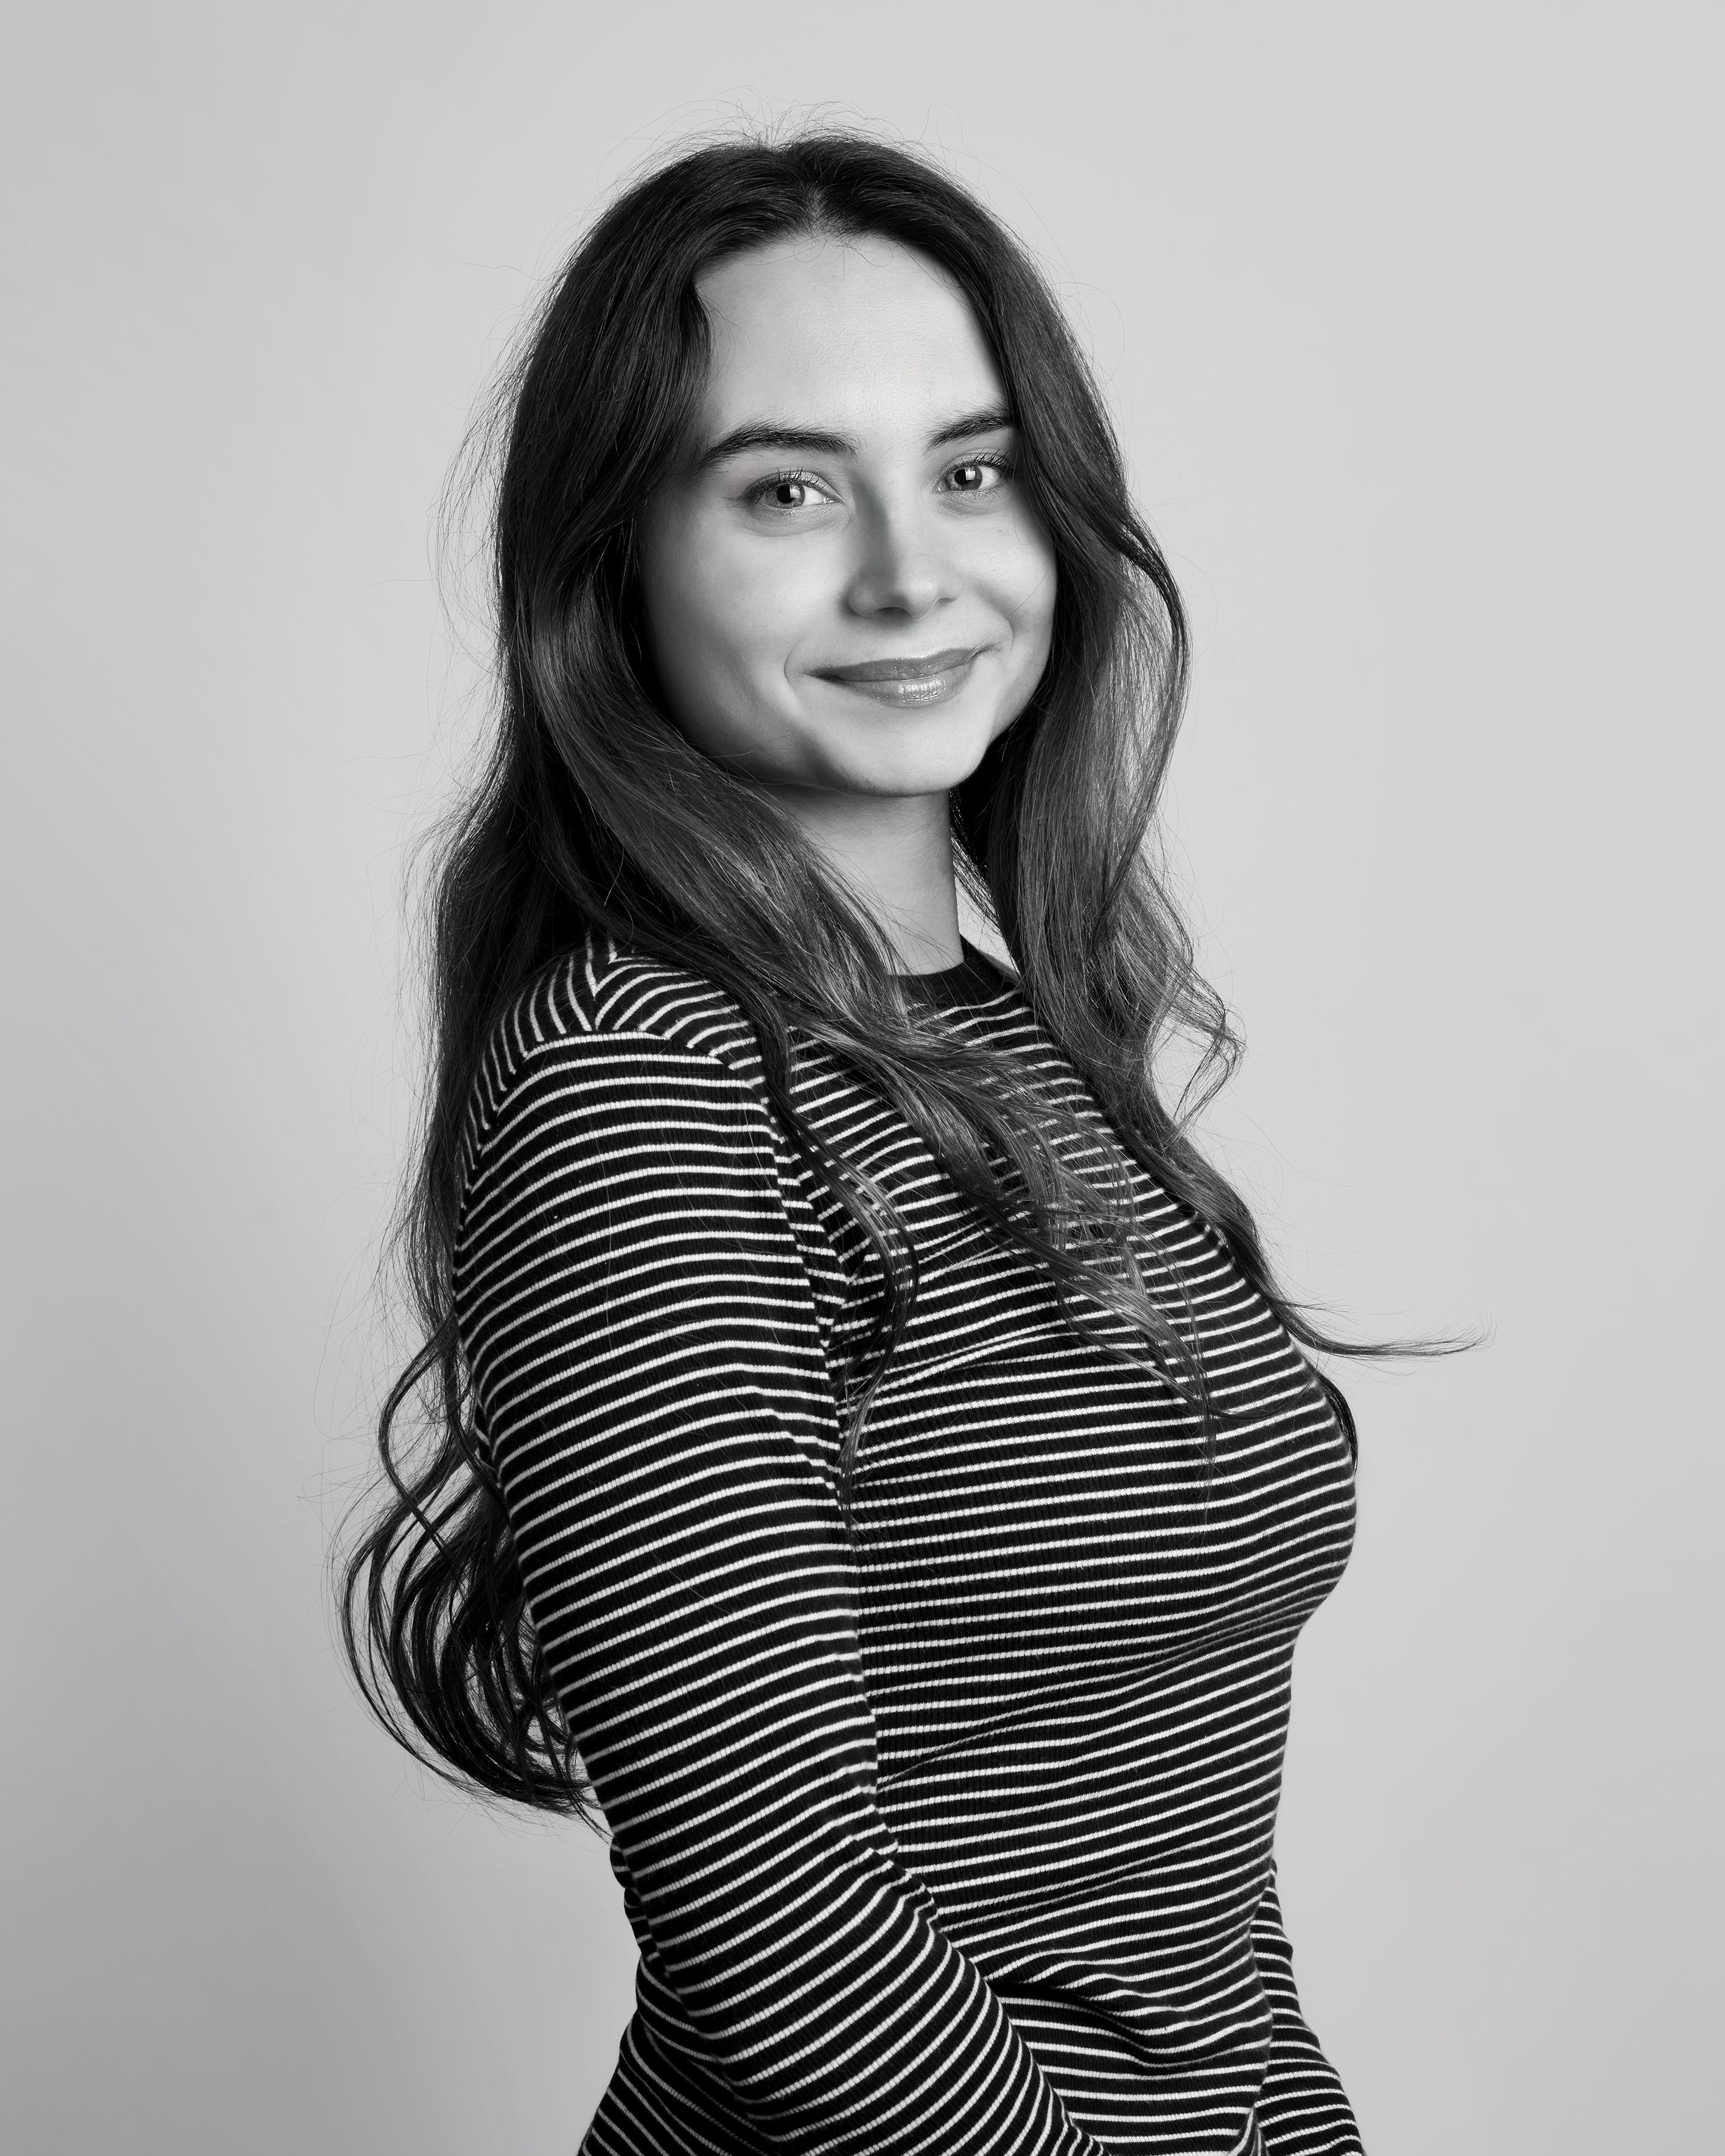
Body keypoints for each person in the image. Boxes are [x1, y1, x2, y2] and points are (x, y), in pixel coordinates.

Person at [344, 131, 1380, 2155]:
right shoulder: (643, 1082)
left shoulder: (1016, 1045)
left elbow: (1172, 1908)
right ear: (615, 563)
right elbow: (786, 1943)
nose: (912, 574)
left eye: (972, 473)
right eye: (787, 489)